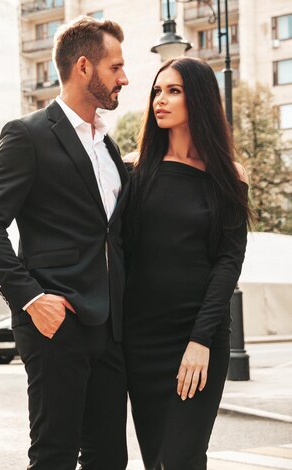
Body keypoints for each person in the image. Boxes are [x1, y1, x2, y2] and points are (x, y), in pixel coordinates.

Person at [0, 16, 130, 470]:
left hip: (109, 327)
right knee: (54, 457)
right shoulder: (28, 135)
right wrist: (32, 299)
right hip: (56, 326)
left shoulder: (108, 148)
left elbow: (107, 226)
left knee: (109, 460)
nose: (124, 77)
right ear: (84, 67)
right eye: (115, 67)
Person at [122, 57, 250, 470]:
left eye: (173, 91)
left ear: (198, 99)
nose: (160, 100)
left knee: (183, 458)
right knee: (157, 460)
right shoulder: (134, 171)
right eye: (157, 91)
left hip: (200, 336)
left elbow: (229, 262)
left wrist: (200, 340)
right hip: (142, 339)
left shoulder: (229, 174)